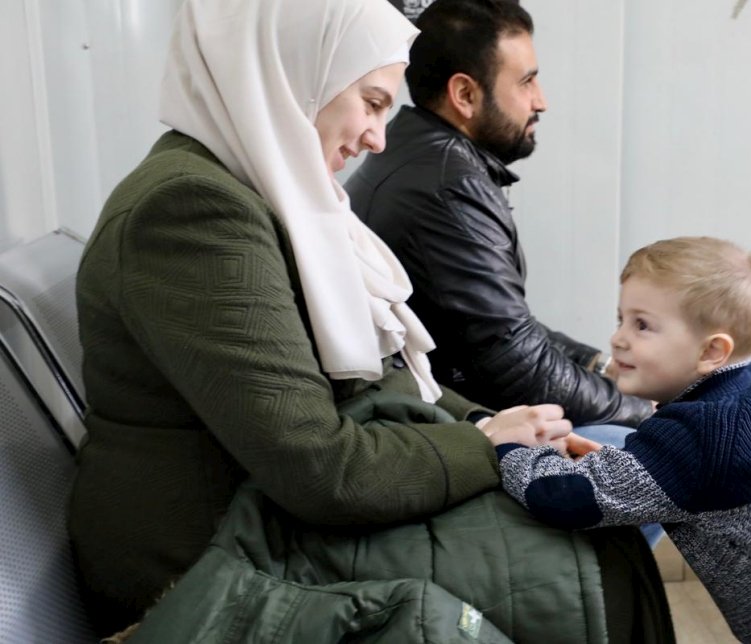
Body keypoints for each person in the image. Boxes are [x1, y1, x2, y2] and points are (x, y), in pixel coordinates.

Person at [67, 0, 673, 640]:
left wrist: (486, 423)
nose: (377, 138)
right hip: (202, 562)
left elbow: (371, 385)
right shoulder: (196, 211)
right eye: (373, 101)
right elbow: (320, 470)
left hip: (264, 515)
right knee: (590, 552)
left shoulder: (257, 191)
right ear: (298, 75)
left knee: (592, 516)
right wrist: (488, 446)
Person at [496, 236, 751, 644]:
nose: (618, 338)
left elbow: (565, 496)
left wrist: (510, 446)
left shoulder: (696, 439)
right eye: (620, 318)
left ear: (712, 351)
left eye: (642, 325)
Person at [345, 0, 652, 429]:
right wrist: (650, 414)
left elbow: (507, 328)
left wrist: (600, 367)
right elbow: (517, 364)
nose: (540, 101)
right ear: (465, 95)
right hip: (442, 430)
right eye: (526, 82)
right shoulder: (449, 186)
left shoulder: (421, 153)